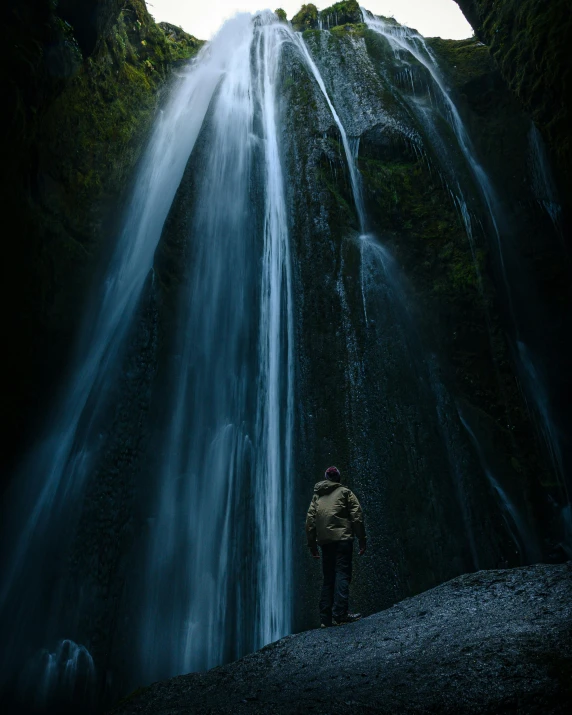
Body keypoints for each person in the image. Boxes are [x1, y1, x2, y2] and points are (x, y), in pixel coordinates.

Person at [305, 466, 367, 627]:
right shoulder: (345, 492)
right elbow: (357, 516)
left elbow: (310, 522)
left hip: (325, 543)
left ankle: (325, 619)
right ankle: (340, 613)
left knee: (328, 578)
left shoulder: (317, 496)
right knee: (342, 573)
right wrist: (362, 539)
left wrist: (312, 545)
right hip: (343, 540)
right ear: (338, 478)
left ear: (326, 478)